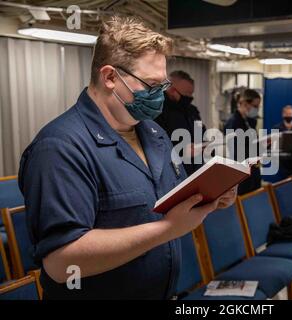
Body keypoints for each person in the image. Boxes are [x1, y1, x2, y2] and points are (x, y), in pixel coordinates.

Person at [18, 16, 236, 299]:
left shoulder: (154, 133)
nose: (160, 95)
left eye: (163, 85)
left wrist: (210, 198)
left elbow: (176, 199)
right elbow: (63, 263)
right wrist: (167, 229)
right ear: (110, 77)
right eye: (151, 85)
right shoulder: (60, 147)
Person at [155, 70, 206, 176]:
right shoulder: (158, 113)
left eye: (191, 94)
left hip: (195, 168)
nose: (189, 98)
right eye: (186, 95)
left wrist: (205, 143)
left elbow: (201, 131)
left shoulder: (192, 111)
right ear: (172, 90)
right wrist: (182, 151)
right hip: (174, 172)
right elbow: (156, 147)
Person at [224, 89, 262, 195]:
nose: (257, 109)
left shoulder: (250, 122)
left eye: (258, 106)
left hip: (252, 172)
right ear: (245, 104)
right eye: (255, 106)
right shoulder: (233, 123)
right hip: (241, 175)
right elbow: (236, 152)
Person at [272, 105, 292, 177]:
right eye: (287, 114)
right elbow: (273, 146)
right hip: (283, 164)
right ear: (283, 115)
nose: (289, 116)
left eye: (290, 114)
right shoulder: (276, 128)